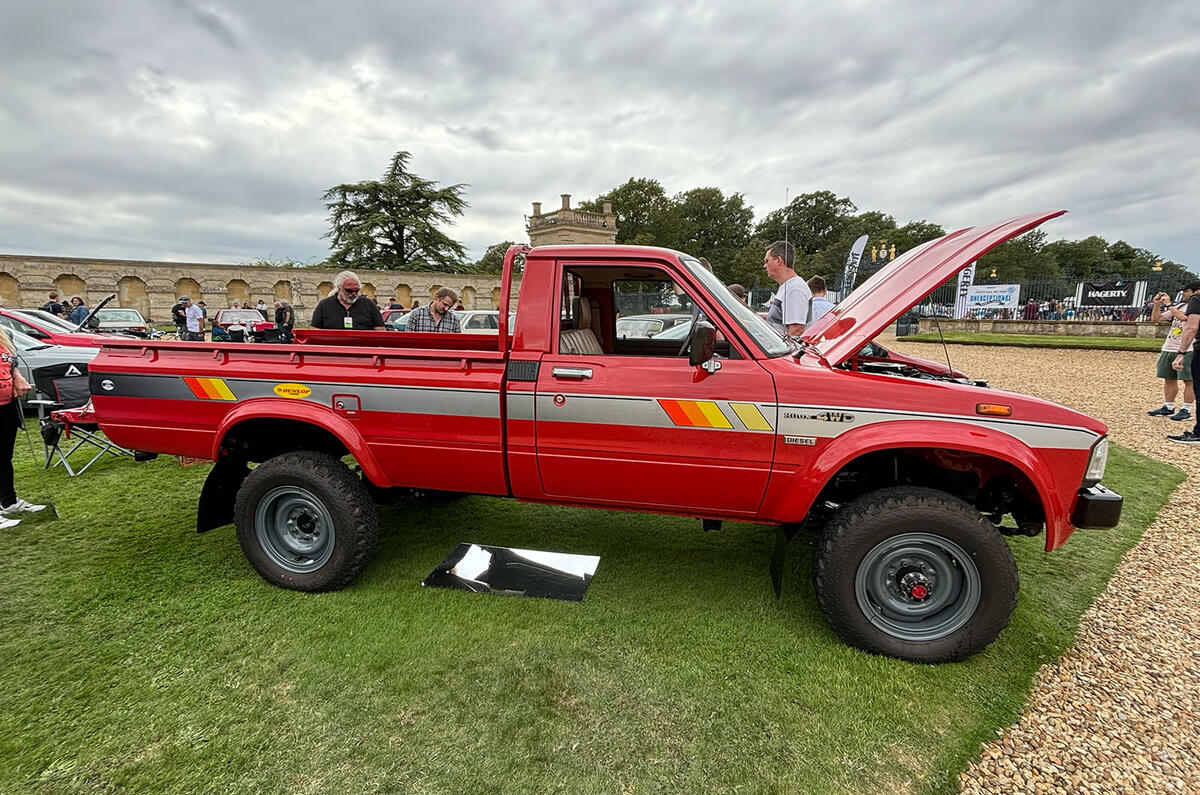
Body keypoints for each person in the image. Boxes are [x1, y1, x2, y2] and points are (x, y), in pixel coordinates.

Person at [0, 327, 46, 527]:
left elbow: (11, 363)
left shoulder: (4, 335)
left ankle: (9, 502)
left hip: (6, 404)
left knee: (3, 457)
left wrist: (17, 376)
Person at [1147, 284, 1196, 421]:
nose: (1183, 294)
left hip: (1189, 348)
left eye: (1186, 291)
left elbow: (1183, 317)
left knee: (1188, 380)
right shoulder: (1179, 306)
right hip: (1169, 346)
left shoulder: (1195, 307)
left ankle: (1186, 409)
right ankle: (1168, 406)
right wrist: (1157, 305)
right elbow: (1156, 319)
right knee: (1168, 377)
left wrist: (1169, 304)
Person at [1168, 282, 1200, 444]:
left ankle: (1198, 432)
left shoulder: (1196, 299)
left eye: (1186, 291)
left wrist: (1181, 353)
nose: (1184, 294)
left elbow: (1191, 327)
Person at [763, 241, 811, 337]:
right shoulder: (788, 286)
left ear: (778, 260)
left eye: (767, 261)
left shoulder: (794, 289)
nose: (764, 266)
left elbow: (796, 331)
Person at [310, 271, 385, 330]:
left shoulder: (369, 304)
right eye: (349, 291)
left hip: (362, 348)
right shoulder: (324, 305)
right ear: (339, 288)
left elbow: (380, 330)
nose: (354, 294)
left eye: (357, 290)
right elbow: (315, 330)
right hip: (334, 347)